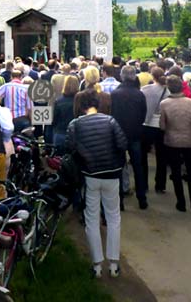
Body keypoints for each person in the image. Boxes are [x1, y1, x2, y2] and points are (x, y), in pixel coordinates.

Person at [67, 88, 128, 279]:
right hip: (111, 174)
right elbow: (122, 144)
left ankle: (96, 265)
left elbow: (70, 149)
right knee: (113, 217)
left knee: (91, 219)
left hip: (90, 175)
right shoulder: (110, 121)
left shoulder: (75, 124)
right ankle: (114, 263)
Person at [110, 65, 149, 210]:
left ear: (121, 76)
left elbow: (111, 114)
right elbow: (143, 114)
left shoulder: (115, 94)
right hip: (135, 134)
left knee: (118, 167)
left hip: (119, 134)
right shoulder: (139, 94)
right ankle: (142, 198)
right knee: (138, 166)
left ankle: (119, 201)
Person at [160, 75, 191, 212]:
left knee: (176, 172)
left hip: (172, 141)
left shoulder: (164, 104)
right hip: (190, 139)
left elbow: (162, 126)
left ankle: (181, 202)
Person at [141, 67, 169, 194]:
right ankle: (160, 184)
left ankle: (144, 184)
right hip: (162, 126)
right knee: (162, 156)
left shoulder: (145, 90)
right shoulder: (168, 91)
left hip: (147, 124)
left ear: (153, 77)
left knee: (143, 156)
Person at [50, 75, 78, 153]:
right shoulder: (79, 100)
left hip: (60, 133)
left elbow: (54, 119)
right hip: (76, 135)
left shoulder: (59, 101)